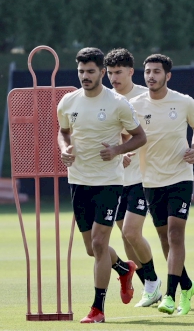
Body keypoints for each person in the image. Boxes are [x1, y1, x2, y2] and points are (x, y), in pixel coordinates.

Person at [57, 47, 147, 323]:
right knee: (91, 249)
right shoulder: (67, 102)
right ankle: (123, 268)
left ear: (101, 73)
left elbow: (140, 137)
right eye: (81, 71)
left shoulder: (118, 103)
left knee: (99, 242)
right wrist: (65, 148)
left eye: (91, 71)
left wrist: (117, 151)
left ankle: (98, 309)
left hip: (108, 182)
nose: (85, 76)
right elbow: (63, 132)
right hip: (79, 181)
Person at [130, 54, 194, 315]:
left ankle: (171, 296)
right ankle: (187, 284)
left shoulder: (184, 102)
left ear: (167, 76)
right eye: (148, 72)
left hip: (180, 177)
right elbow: (127, 134)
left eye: (156, 72)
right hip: (151, 180)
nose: (151, 76)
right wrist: (126, 151)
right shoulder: (134, 105)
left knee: (175, 234)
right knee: (164, 237)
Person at [104, 48, 162, 308]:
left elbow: (151, 134)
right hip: (114, 179)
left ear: (130, 72)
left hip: (142, 177)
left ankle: (152, 283)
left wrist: (130, 151)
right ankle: (149, 286)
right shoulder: (104, 99)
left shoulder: (144, 96)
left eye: (118, 72)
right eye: (110, 72)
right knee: (125, 236)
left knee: (131, 231)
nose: (113, 78)